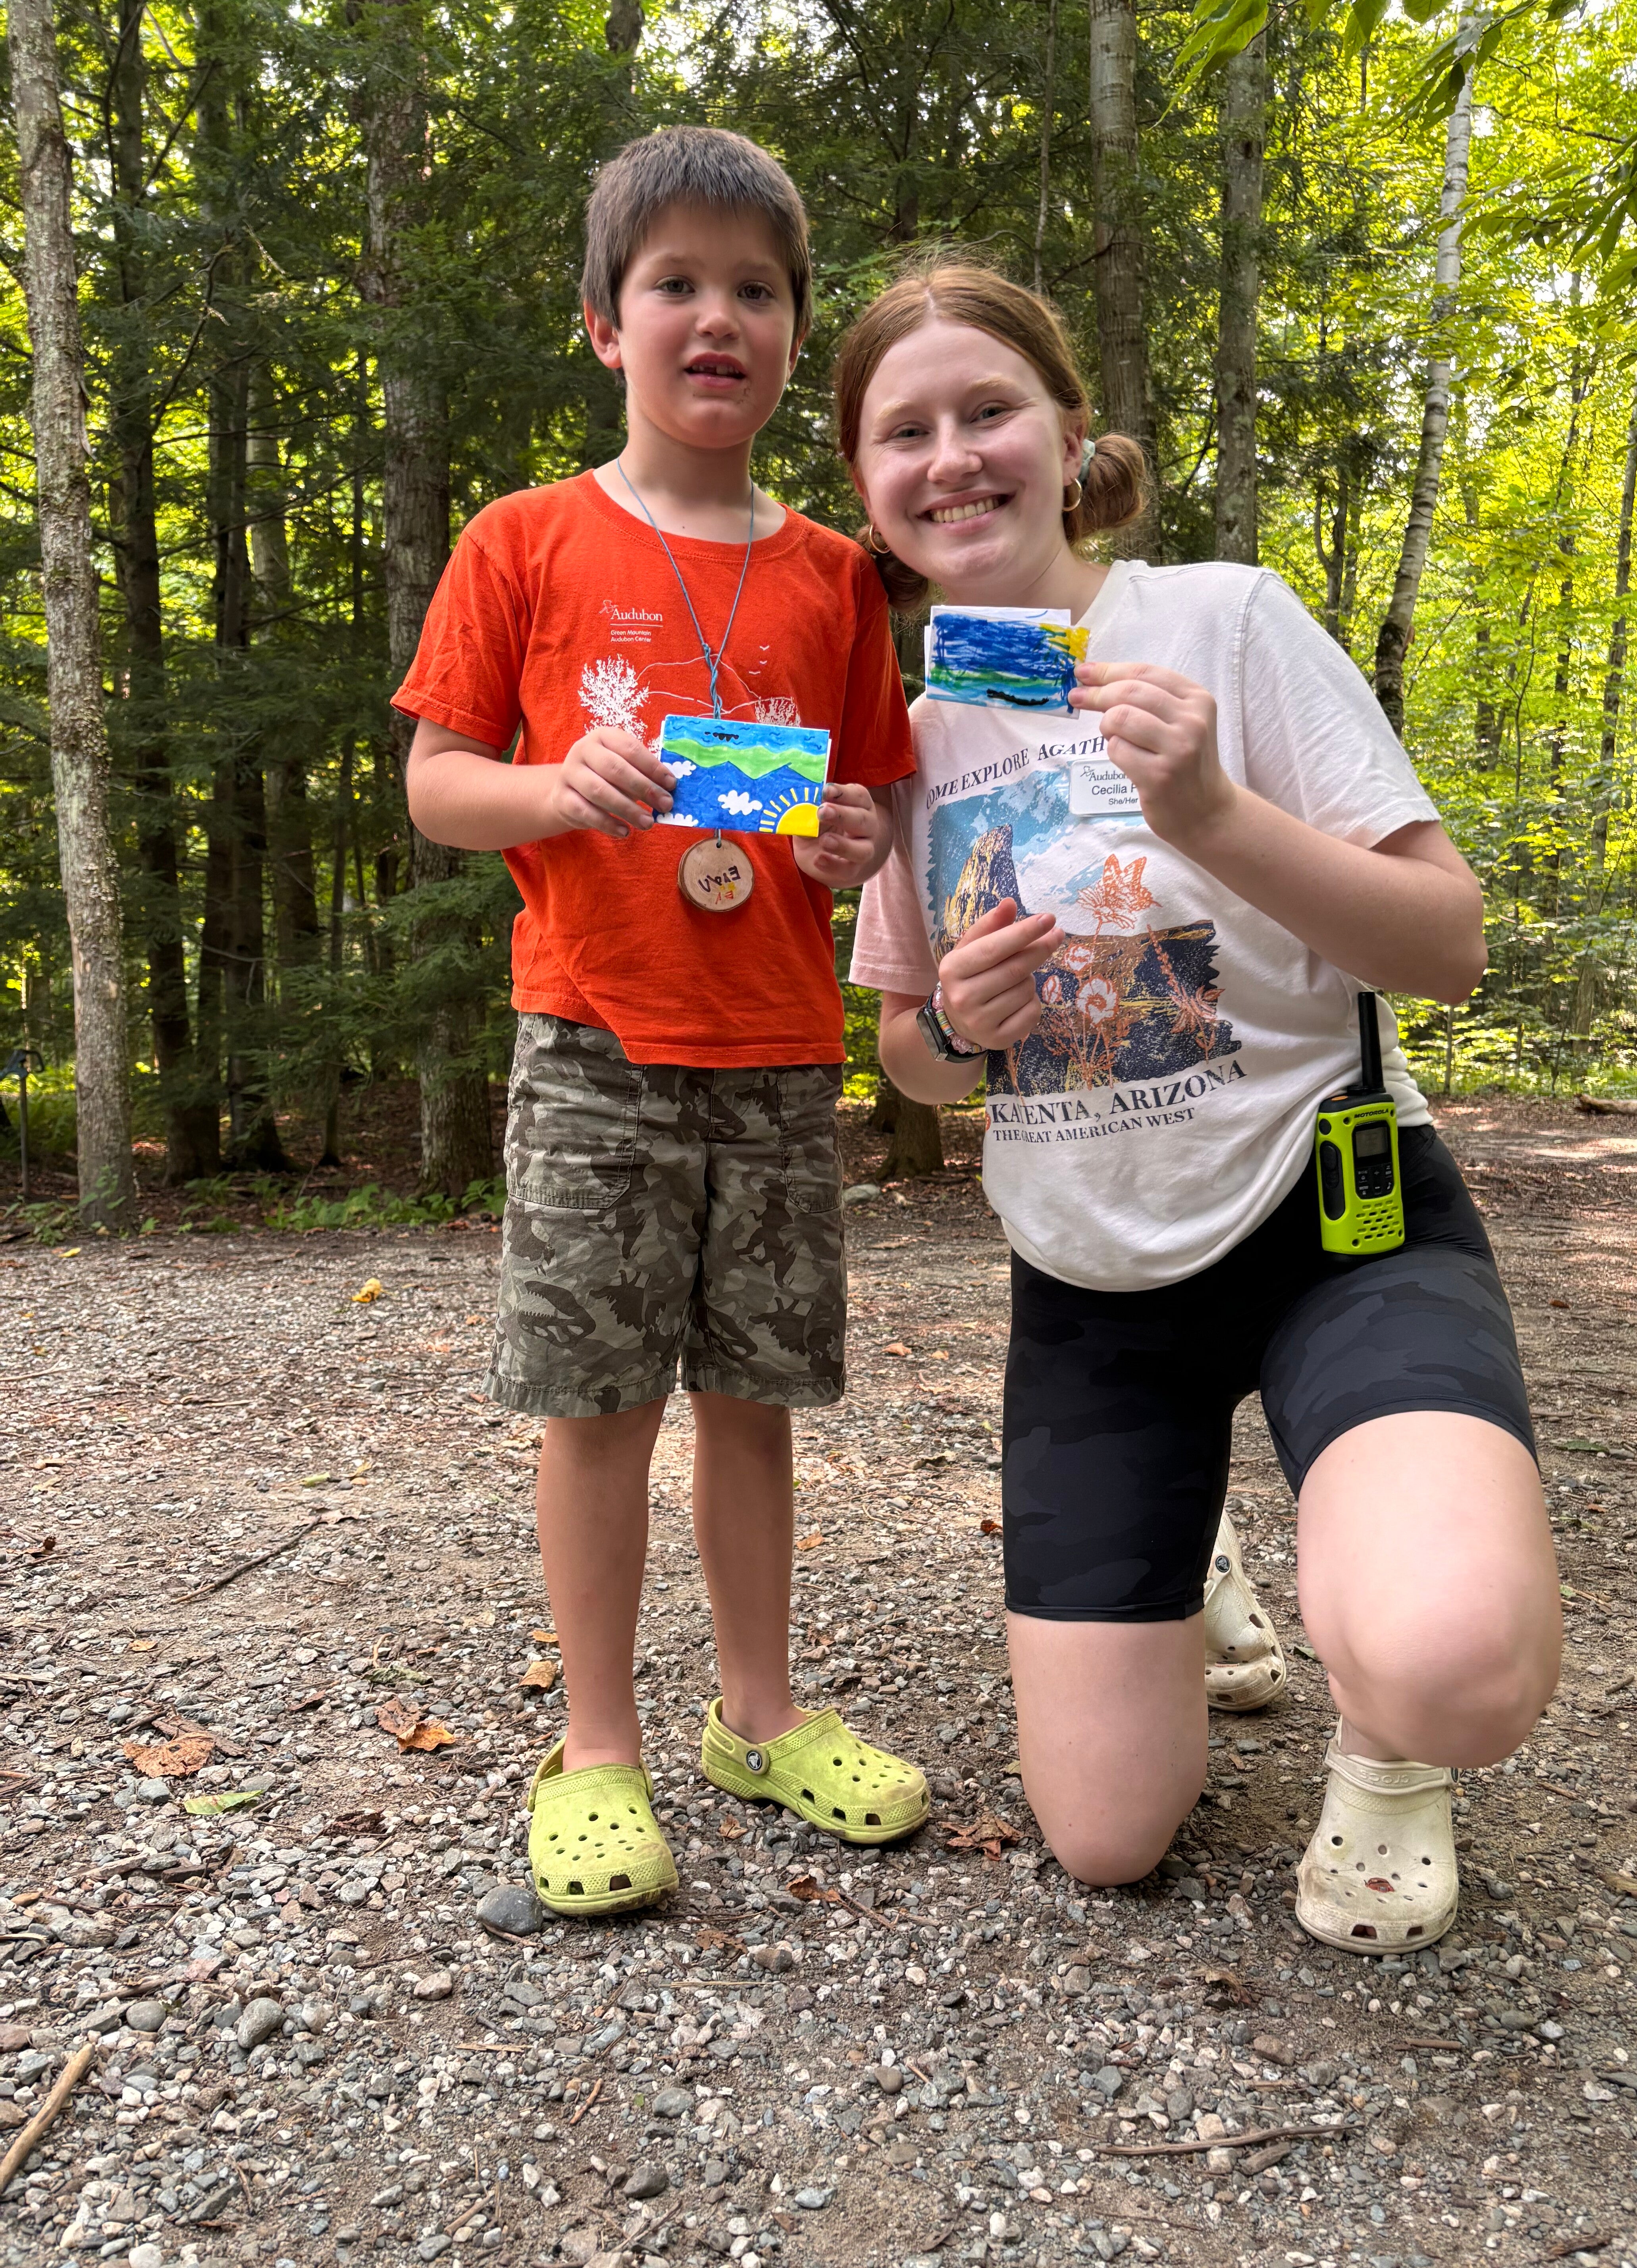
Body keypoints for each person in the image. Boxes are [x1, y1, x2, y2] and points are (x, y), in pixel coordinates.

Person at [841, 262, 1562, 1951]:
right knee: (1104, 1842)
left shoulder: (1225, 619)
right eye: (907, 431)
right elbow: (910, 1059)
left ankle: (1389, 1739)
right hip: (1092, 1284)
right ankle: (1207, 1552)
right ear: (866, 487)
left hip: (1336, 1221)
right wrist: (954, 1021)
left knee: (1451, 1660)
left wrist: (1214, 810)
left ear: (1070, 434)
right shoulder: (905, 731)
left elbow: (1447, 946)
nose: (955, 456)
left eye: (990, 411)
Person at [396, 127, 928, 1918]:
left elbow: (868, 804)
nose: (719, 318)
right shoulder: (526, 540)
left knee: (756, 1401)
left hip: (777, 1046)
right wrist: (556, 792)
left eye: (757, 289)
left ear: (794, 331)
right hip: (598, 1041)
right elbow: (437, 784)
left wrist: (860, 839)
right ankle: (603, 1746)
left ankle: (759, 1713)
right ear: (602, 324)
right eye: (676, 284)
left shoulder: (841, 578)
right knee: (599, 1406)